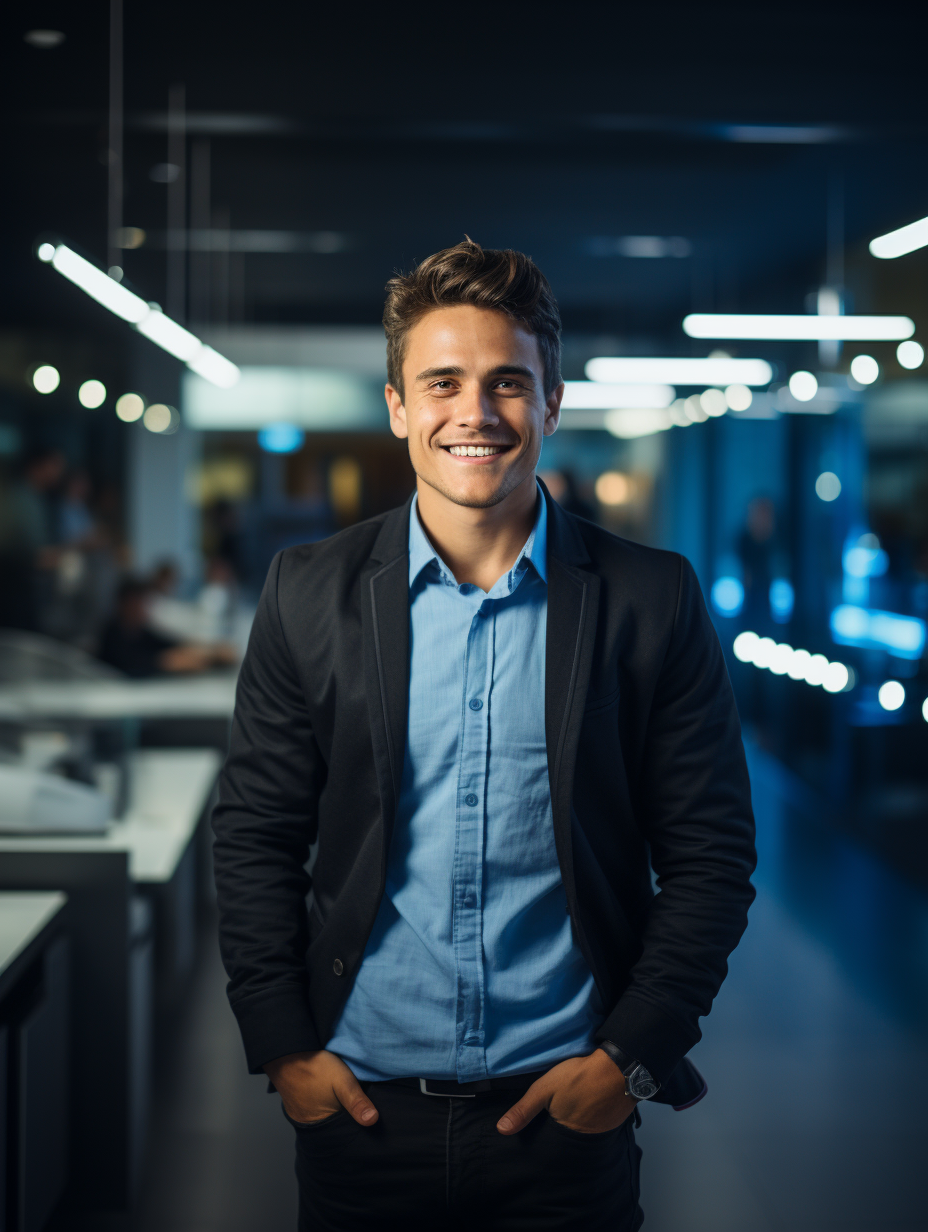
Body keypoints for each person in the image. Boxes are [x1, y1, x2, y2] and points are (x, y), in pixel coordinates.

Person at [212, 239, 756, 1231]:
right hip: (360, 1113)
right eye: (442, 382)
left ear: (549, 404)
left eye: (508, 382)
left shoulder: (649, 598)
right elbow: (253, 832)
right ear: (396, 406)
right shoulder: (306, 591)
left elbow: (710, 856)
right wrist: (284, 1047)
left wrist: (626, 1055)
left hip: (562, 1114)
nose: (475, 411)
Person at [98, 577, 237, 678]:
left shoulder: (140, 631)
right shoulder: (112, 634)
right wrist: (173, 661)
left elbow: (168, 645)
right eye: (138, 603)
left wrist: (210, 651)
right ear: (124, 604)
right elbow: (134, 665)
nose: (143, 608)